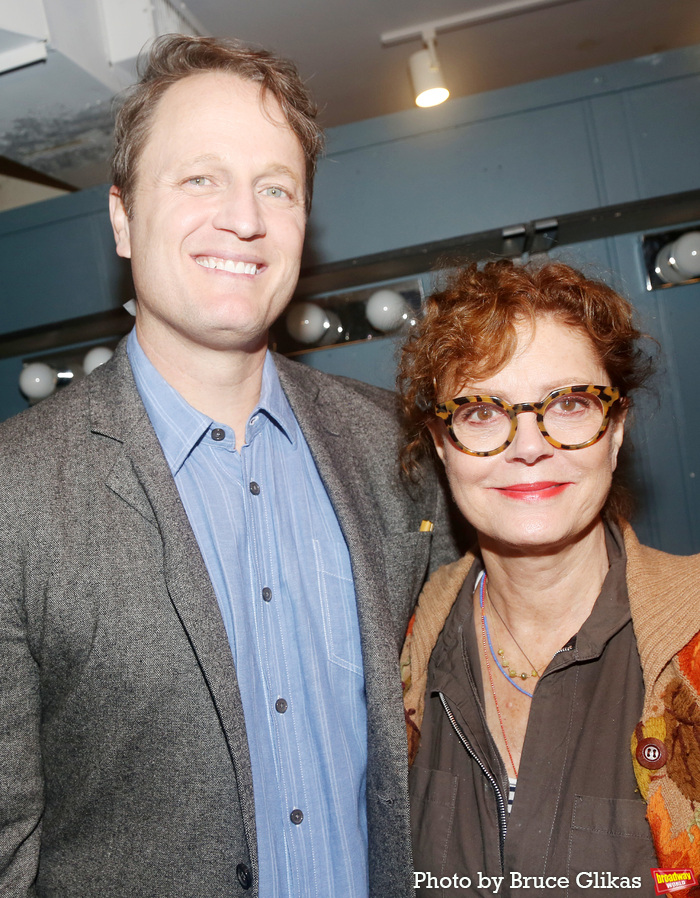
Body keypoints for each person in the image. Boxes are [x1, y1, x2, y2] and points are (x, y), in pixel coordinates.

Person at [0, 35, 459, 898]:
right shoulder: (13, 491)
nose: (243, 217)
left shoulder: (395, 453)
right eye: (199, 177)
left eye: (276, 188)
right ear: (123, 218)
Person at [398, 259, 700, 896]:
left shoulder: (693, 639)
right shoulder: (395, 653)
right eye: (482, 411)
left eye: (569, 404)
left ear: (615, 432)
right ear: (441, 443)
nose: (529, 445)